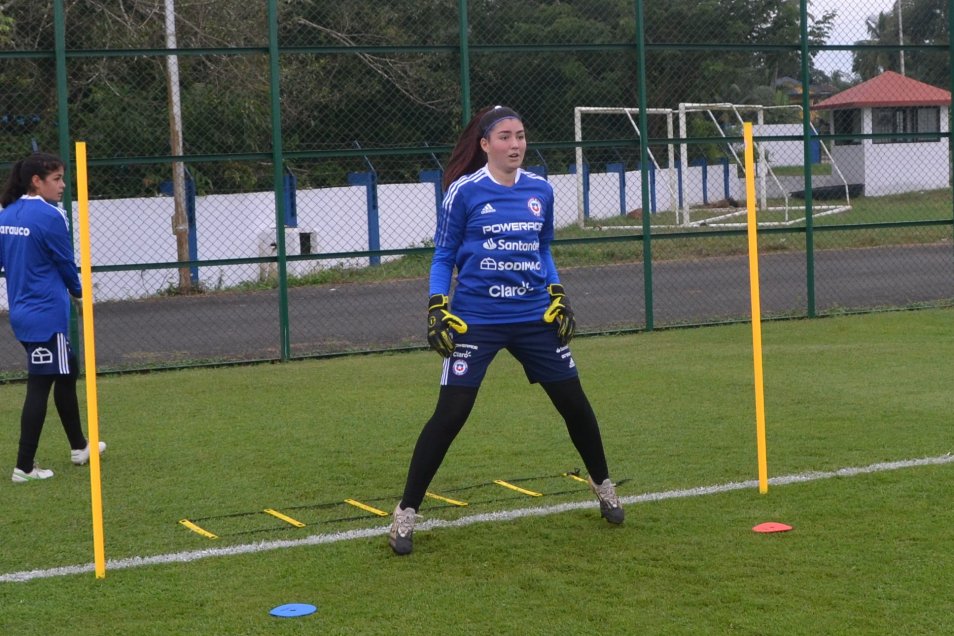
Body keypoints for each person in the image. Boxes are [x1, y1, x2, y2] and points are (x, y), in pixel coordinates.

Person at [388, 105, 623, 555]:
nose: (515, 144)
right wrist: (437, 305)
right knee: (451, 414)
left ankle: (604, 485)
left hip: (535, 318)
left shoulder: (541, 190)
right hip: (477, 321)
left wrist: (558, 293)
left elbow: (544, 248)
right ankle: (405, 514)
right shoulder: (464, 192)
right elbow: (443, 255)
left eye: (520, 135)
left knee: (575, 404)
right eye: (505, 137)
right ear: (485, 145)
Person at [0, 152, 105, 483]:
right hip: (46, 314)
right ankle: (24, 466)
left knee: (67, 371)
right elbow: (64, 261)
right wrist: (79, 293)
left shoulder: (8, 212)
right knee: (41, 383)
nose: (62, 186)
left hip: (23, 311)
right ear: (36, 181)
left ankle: (79, 446)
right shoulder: (51, 216)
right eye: (57, 179)